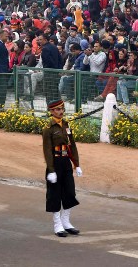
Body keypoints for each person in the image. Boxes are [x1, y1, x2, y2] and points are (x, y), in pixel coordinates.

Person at [42, 99, 82, 237]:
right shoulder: (48, 128)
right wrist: (51, 170)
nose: (61, 112)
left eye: (62, 109)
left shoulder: (66, 125)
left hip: (65, 162)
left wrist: (77, 164)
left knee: (70, 192)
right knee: (55, 195)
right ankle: (57, 224)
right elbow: (47, 150)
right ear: (51, 111)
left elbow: (72, 145)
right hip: (55, 162)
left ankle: (66, 222)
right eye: (58, 109)